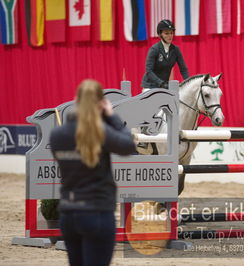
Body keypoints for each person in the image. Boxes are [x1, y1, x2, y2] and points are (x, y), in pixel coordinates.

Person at [50, 79, 136, 266]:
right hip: (97, 212)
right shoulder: (101, 132)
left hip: (69, 214)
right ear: (100, 104)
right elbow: (129, 145)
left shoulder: (57, 135)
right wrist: (112, 117)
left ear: (76, 100)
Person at [141, 19, 190, 90]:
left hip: (164, 86)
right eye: (166, 33)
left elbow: (183, 69)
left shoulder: (176, 50)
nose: (170, 36)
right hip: (150, 86)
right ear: (160, 34)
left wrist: (188, 83)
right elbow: (149, 71)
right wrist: (161, 83)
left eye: (171, 33)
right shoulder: (154, 49)